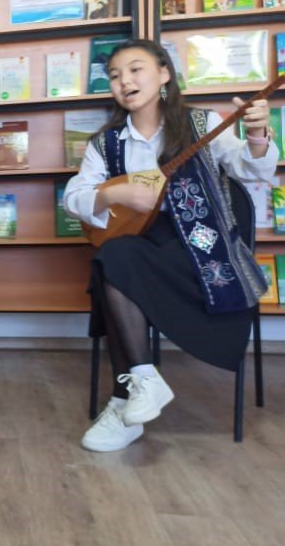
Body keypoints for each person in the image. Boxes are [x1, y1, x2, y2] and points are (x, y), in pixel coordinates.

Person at [63, 39, 276, 452]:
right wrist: (116, 193)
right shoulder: (106, 143)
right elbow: (74, 198)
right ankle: (143, 383)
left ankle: (124, 399)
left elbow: (253, 170)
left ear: (164, 74)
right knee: (114, 257)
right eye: (115, 75)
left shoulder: (202, 123)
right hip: (142, 250)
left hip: (206, 254)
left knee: (112, 266)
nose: (125, 81)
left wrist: (255, 134)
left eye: (135, 69)